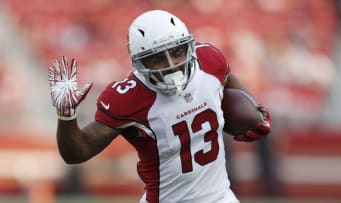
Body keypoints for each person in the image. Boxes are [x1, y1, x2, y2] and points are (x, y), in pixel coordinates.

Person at [48, 10, 271, 203]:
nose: (172, 65)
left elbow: (227, 78)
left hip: (220, 197)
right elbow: (76, 152)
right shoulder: (129, 97)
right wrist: (66, 115)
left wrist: (254, 111)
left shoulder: (210, 60)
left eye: (176, 52)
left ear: (188, 47)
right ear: (138, 63)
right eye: (157, 59)